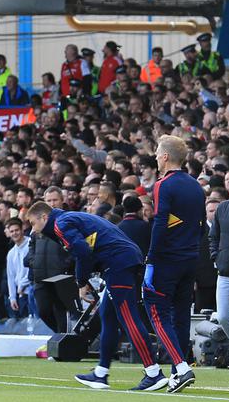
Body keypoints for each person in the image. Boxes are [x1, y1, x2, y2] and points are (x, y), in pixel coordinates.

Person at [25, 201, 168, 392]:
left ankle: (153, 373)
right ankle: (101, 373)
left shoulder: (60, 224)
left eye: (33, 224)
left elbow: (82, 251)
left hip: (118, 264)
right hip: (121, 260)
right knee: (107, 317)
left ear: (44, 217)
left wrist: (81, 281)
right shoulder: (67, 218)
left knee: (128, 318)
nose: (33, 231)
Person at [142, 135, 203, 392]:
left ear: (165, 156)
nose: (156, 156)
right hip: (190, 258)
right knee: (180, 316)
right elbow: (199, 224)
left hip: (167, 259)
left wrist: (151, 259)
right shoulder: (196, 186)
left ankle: (180, 366)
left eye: (157, 152)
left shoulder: (163, 185)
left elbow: (160, 222)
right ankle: (179, 369)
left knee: (157, 312)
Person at [29, 187, 72, 334]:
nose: (52, 203)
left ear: (62, 200)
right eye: (49, 200)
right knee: (43, 311)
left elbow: (75, 247)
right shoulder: (37, 224)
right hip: (40, 277)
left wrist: (65, 265)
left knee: (61, 311)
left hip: (60, 276)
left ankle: (63, 343)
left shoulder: (68, 220)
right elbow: (31, 248)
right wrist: (33, 262)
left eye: (55, 200)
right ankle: (59, 337)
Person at [4, 217, 32, 319]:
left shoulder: (31, 244)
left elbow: (32, 269)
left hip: (32, 290)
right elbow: (10, 277)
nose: (14, 233)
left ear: (22, 230)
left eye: (17, 230)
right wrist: (12, 298)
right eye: (12, 231)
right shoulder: (11, 253)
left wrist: (23, 284)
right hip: (21, 295)